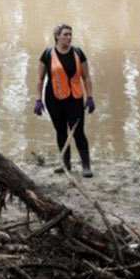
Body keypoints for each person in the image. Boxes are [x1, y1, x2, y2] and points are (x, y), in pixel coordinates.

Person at [32, 24, 96, 176]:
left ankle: (86, 165)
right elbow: (40, 79)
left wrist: (90, 97)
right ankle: (65, 164)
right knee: (61, 132)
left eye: (70, 34)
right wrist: (38, 99)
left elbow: (86, 77)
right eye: (65, 35)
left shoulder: (78, 53)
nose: (69, 37)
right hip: (53, 99)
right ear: (57, 37)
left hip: (75, 99)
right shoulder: (47, 54)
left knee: (78, 132)